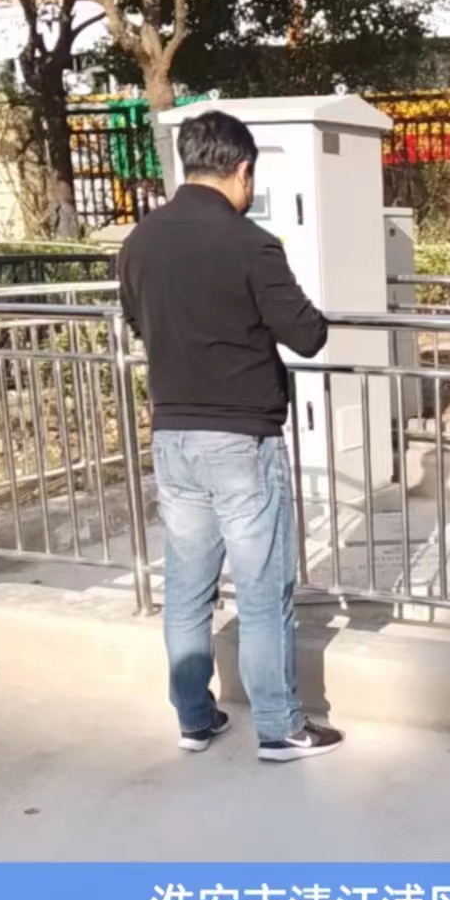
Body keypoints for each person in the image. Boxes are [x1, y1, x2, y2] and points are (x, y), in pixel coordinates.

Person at [119, 109, 344, 763]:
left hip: (174, 436)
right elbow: (307, 333)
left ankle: (195, 718)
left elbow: (137, 320)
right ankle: (279, 727)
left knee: (187, 589)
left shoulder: (139, 241)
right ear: (243, 170)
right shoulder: (251, 244)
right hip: (242, 439)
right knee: (263, 590)